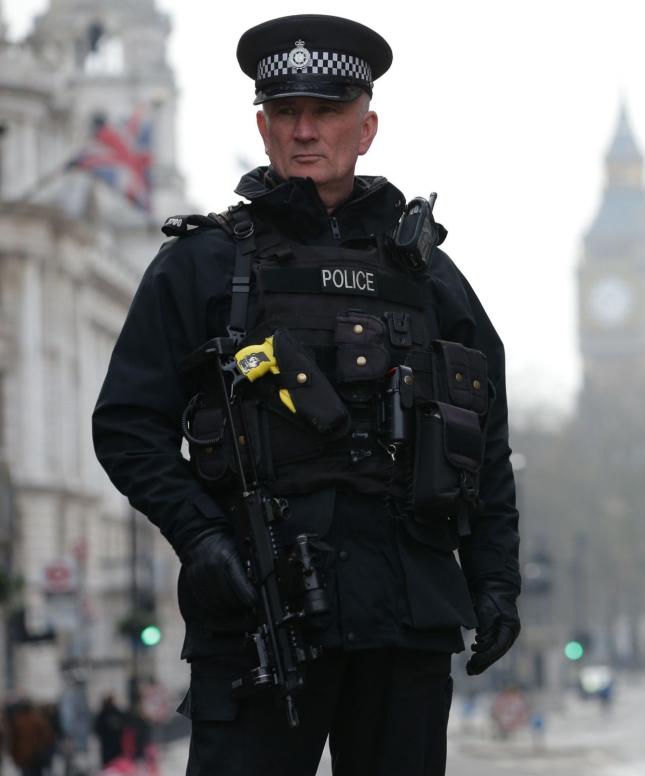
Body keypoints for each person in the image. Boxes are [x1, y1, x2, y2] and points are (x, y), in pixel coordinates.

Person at [93, 14, 521, 775]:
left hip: (405, 613)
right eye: (285, 113)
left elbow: (483, 439)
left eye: (325, 111)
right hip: (262, 605)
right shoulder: (201, 264)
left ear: (367, 126)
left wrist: (494, 579)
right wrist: (202, 538)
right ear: (262, 126)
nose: (303, 130)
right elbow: (127, 425)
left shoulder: (430, 278)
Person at [92, 694, 125, 768]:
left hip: (107, 745)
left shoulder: (102, 714)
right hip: (116, 744)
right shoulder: (118, 713)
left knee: (108, 766)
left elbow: (97, 729)